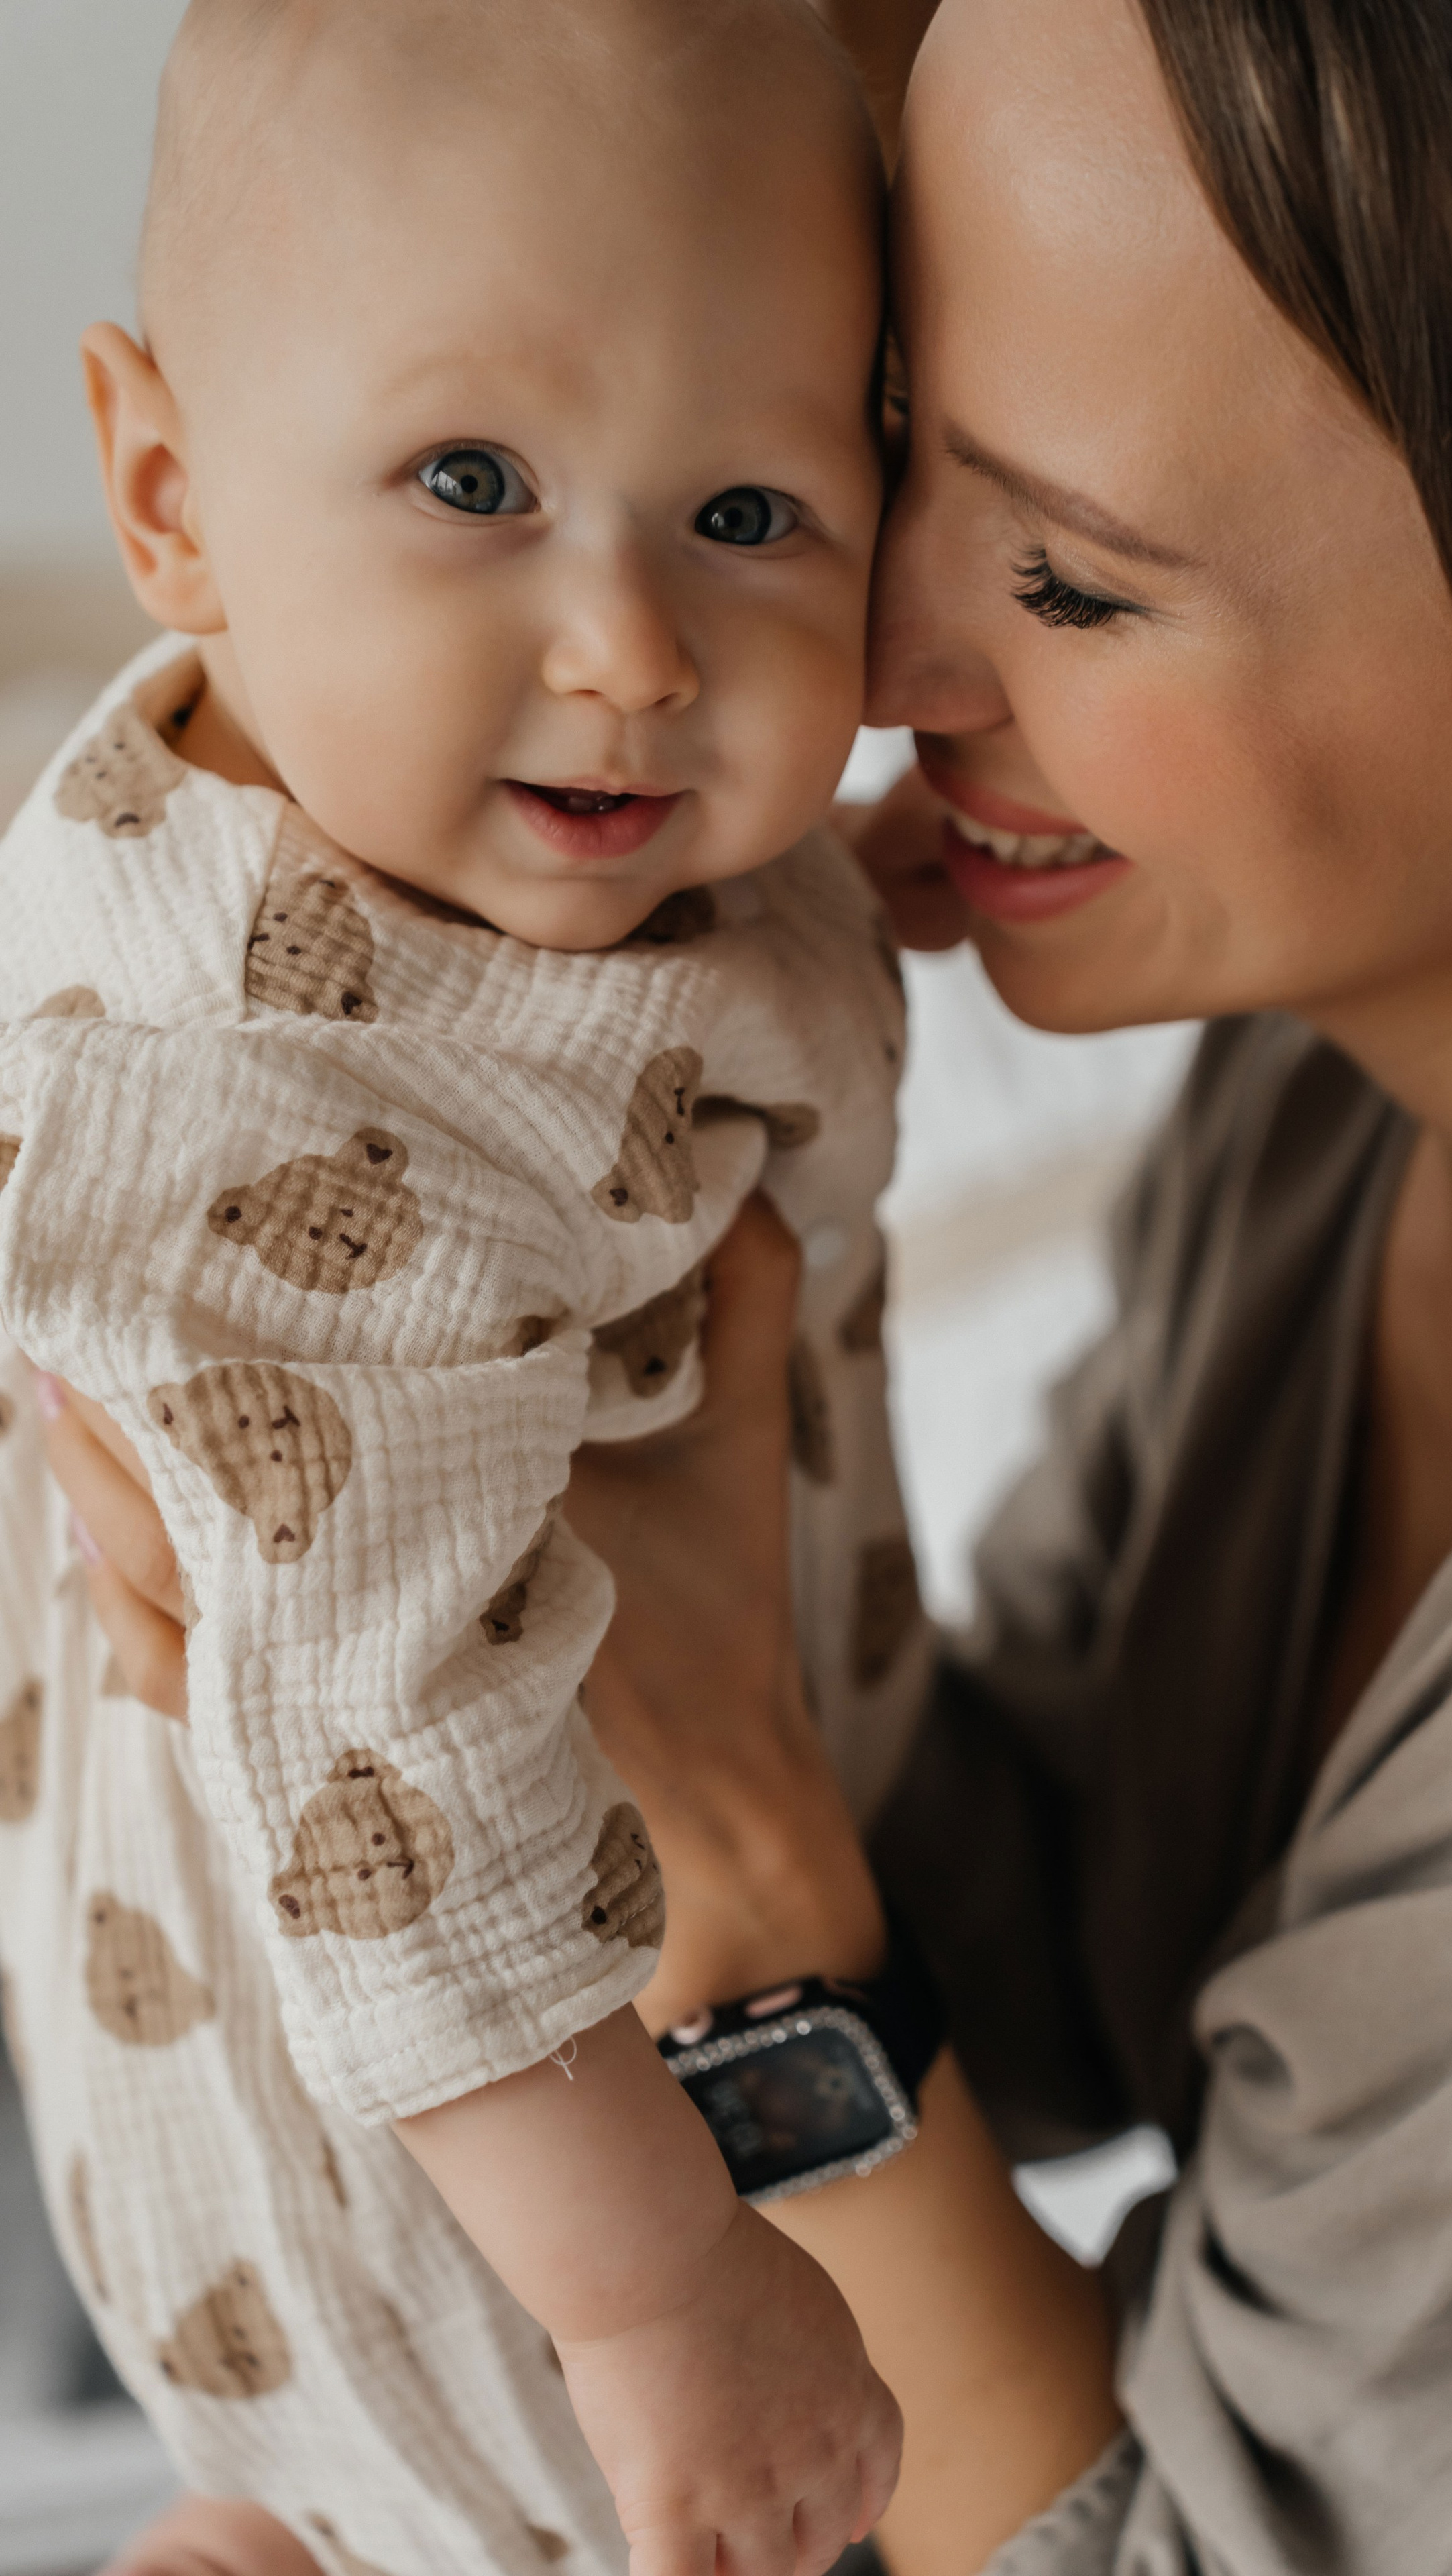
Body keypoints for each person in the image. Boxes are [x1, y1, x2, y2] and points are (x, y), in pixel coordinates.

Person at [47, 0, 1452, 2569]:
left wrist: (726, 1842)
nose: (878, 675)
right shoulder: (1321, 1122)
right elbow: (1052, 1940)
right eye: (905, 450)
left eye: (1066, 577)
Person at [0, 2, 917, 2570]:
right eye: (476, 481)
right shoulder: (295, 1103)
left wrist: (897, 870)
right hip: (488, 2168)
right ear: (171, 497)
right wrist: (655, 2313)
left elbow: (712, 966)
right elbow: (387, 1777)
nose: (629, 640)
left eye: (752, 511)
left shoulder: (489, 844)